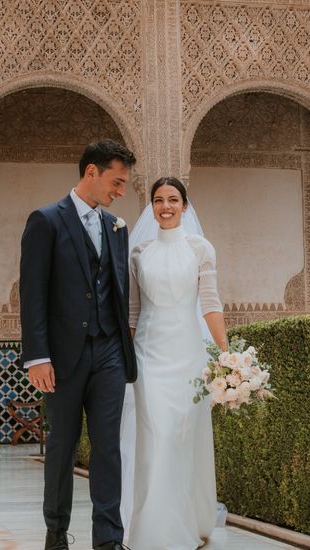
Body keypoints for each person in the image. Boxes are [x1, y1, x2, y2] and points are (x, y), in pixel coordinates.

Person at [19, 139, 137, 550]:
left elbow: (117, 289)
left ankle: (108, 539)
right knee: (62, 448)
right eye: (117, 182)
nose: (121, 192)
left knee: (108, 449)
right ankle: (56, 533)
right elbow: (32, 293)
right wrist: (37, 356)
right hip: (63, 356)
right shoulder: (46, 220)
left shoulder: (116, 228)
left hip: (109, 353)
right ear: (92, 172)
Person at [122, 176, 227, 549]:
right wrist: (123, 359)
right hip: (148, 356)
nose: (165, 206)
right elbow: (133, 312)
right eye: (158, 200)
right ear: (151, 206)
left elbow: (211, 305)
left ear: (184, 204)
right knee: (157, 437)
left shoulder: (201, 249)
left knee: (182, 438)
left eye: (172, 199)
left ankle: (190, 518)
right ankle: (153, 525)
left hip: (188, 356)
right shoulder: (138, 254)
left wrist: (227, 354)